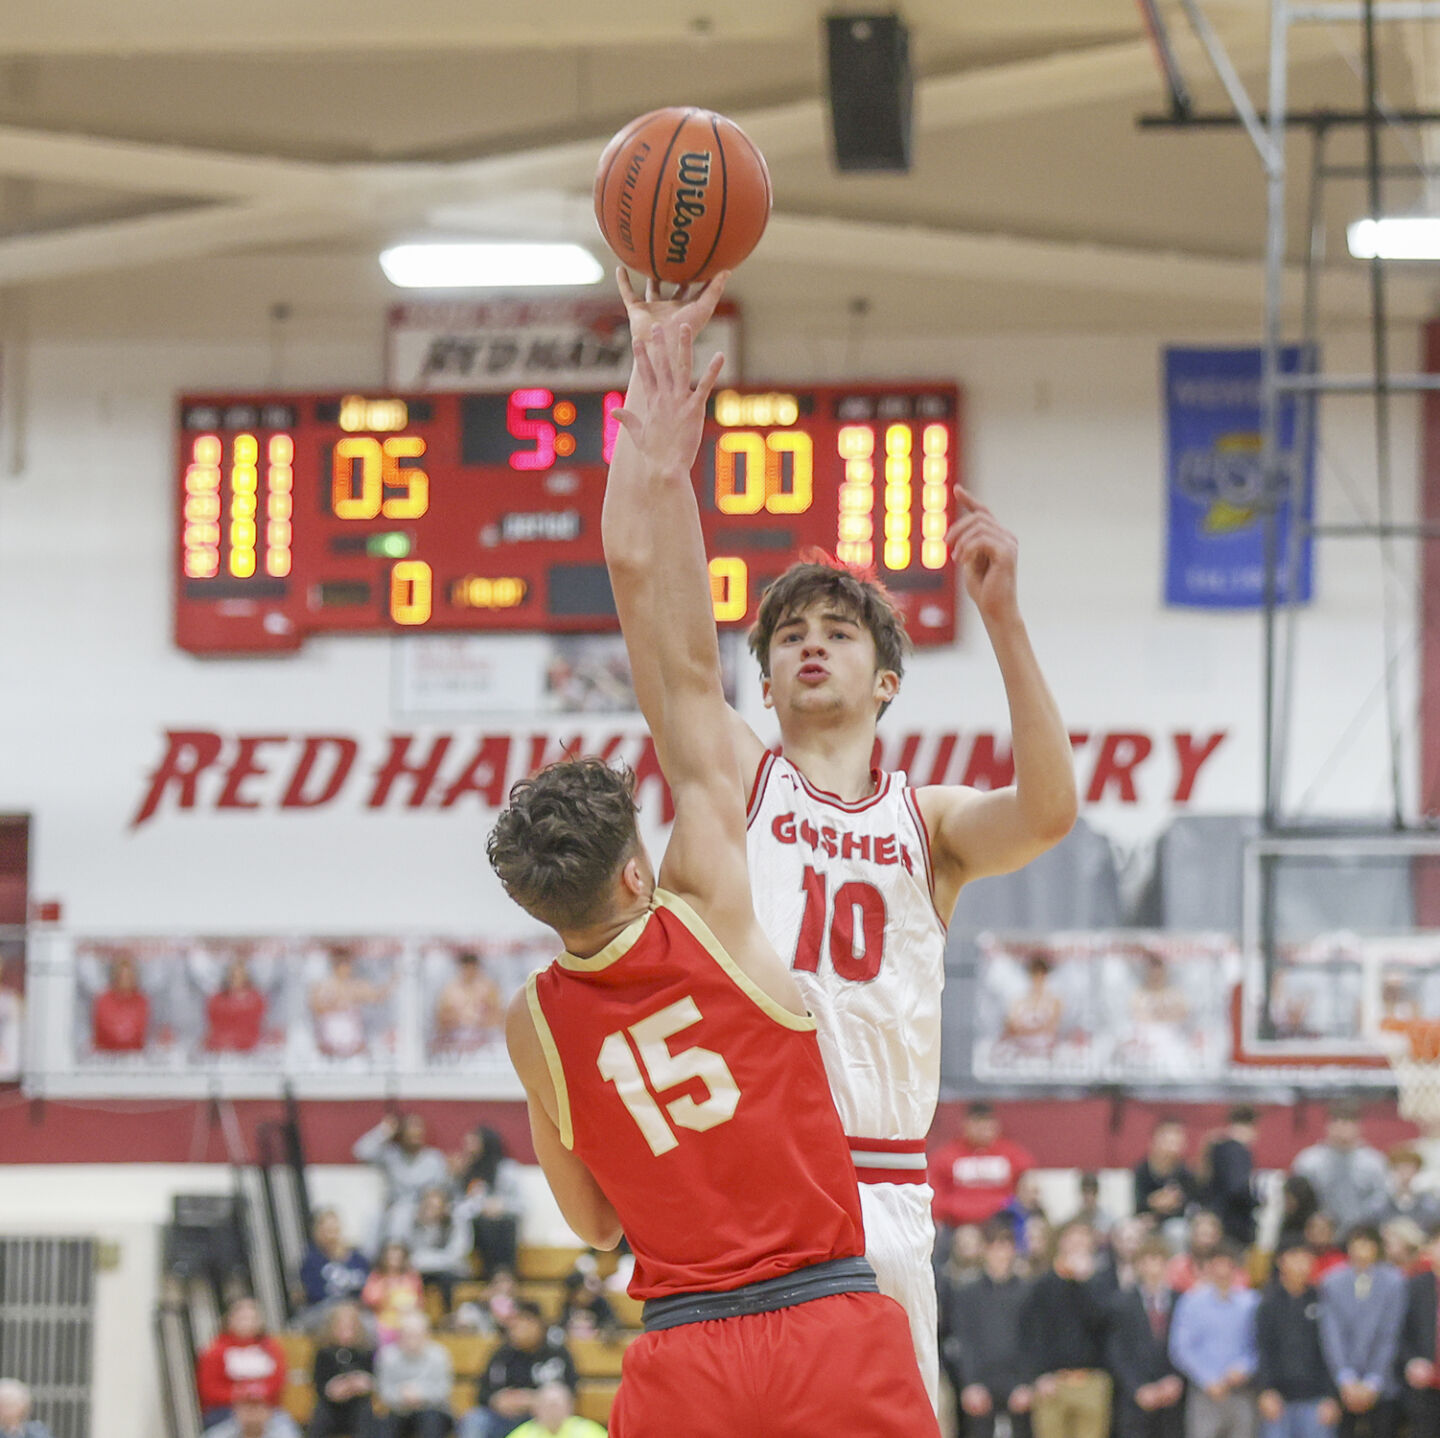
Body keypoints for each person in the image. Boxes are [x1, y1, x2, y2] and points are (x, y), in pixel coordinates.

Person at [616, 259, 1075, 1409]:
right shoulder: (735, 778)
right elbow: (656, 613)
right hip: (750, 1196)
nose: (812, 645)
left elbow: (1050, 810)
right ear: (765, 679)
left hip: (881, 1197)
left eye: (839, 632)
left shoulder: (929, 822)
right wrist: (656, 444)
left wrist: (1007, 621)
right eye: (789, 636)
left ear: (885, 682)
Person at [489, 296, 938, 1435]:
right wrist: (657, 446)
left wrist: (648, 445)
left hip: (686, 1343)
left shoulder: (532, 1024)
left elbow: (593, 1223)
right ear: (640, 873)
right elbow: (674, 639)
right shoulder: (717, 913)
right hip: (829, 1302)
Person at [941, 1218, 1033, 1438]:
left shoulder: (1027, 1292)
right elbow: (962, 1340)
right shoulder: (966, 1293)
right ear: (984, 1250)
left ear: (1013, 1250)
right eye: (993, 1246)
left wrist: (1027, 1383)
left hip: (1017, 1385)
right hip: (980, 1384)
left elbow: (1033, 1340)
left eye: (1005, 1246)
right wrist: (970, 1383)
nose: (999, 1253)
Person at [1019, 1223, 1113, 1438]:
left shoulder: (1101, 1284)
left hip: (1091, 1381)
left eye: (1084, 1240)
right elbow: (1031, 1334)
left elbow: (1104, 1324)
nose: (1078, 1245)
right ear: (1061, 1242)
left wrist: (1085, 1282)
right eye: (1073, 1238)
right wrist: (1039, 1375)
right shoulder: (1042, 1286)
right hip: (1052, 1384)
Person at [1317, 1225, 1404, 1438]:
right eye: (1357, 1243)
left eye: (1367, 1243)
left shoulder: (1394, 1282)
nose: (1361, 1249)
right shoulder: (1331, 1281)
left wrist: (1373, 1382)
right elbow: (1332, 1334)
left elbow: (1390, 1333)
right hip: (1343, 1385)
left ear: (1377, 1247)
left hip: (1382, 1384)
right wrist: (1346, 1379)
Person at [1167, 1244, 1259, 1438]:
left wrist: (1244, 1368)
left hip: (1242, 1390)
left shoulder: (1251, 1302)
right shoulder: (1191, 1302)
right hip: (1204, 1393)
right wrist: (1208, 1379)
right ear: (1208, 1268)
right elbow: (1181, 1347)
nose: (1222, 1271)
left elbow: (1260, 1344)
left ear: (1236, 1269)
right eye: (1217, 1265)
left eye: (1228, 1265)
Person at [1255, 1242, 1337, 1438]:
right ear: (1281, 1261)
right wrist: (1265, 1390)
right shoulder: (1268, 1302)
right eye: (1295, 1257)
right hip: (1278, 1398)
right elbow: (1262, 1348)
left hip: (1317, 1398)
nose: (1302, 1264)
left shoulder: (1321, 1299)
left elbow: (1332, 1349)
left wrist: (1331, 1396)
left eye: (1306, 1258)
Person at [930, 1103, 1038, 1250]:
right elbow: (936, 1190)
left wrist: (1024, 1203)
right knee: (966, 1240)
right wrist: (938, 1216)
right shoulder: (947, 1156)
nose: (983, 1130)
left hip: (1001, 1222)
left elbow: (1028, 1179)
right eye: (978, 1124)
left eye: (987, 1124)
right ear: (966, 1125)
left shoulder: (1010, 1153)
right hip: (959, 1225)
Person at [461, 1303, 577, 1438]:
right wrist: (497, 1400)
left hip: (539, 1417)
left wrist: (534, 1400)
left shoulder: (557, 1354)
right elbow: (482, 1392)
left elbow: (570, 1391)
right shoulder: (502, 1354)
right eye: (514, 1326)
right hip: (502, 1417)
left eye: (524, 1325)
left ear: (538, 1325)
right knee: (475, 1420)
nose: (517, 1330)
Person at [1107, 1238, 1184, 1438]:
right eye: (1148, 1260)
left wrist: (1176, 1379)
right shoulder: (1121, 1302)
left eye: (1159, 1259)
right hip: (1136, 1399)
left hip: (1172, 1396)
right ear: (1138, 1265)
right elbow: (1117, 1351)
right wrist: (1137, 1388)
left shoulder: (1182, 1301)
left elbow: (1188, 1345)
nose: (1154, 1266)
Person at [1293, 1106, 1388, 1240]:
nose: (1343, 1130)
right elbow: (1298, 1201)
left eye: (1348, 1123)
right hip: (1317, 1238)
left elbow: (1381, 1199)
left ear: (1359, 1127)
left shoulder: (1375, 1162)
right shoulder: (1309, 1161)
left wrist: (1358, 1223)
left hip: (1361, 1237)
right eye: (1337, 1123)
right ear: (1327, 1127)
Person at [196, 1296, 287, 1426]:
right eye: (242, 1319)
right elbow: (209, 1389)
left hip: (266, 1410)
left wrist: (258, 1396)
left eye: (252, 1319)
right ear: (229, 1320)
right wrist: (240, 1395)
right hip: (226, 1411)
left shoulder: (271, 1348)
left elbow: (278, 1380)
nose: (247, 1324)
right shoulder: (214, 1351)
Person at [353, 1115, 451, 1233]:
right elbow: (361, 1152)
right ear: (402, 1132)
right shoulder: (391, 1155)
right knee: (377, 1220)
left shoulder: (434, 1159)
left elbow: (441, 1192)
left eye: (418, 1128)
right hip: (394, 1210)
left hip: (425, 1213)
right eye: (410, 1128)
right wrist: (384, 1131)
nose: (415, 1132)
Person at [450, 1128, 522, 1279]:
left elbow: (521, 1205)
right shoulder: (464, 1168)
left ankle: (503, 1275)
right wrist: (454, 1176)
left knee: (503, 1224)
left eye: (473, 1142)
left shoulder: (505, 1168)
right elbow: (452, 1203)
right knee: (480, 1224)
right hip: (472, 1225)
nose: (468, 1147)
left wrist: (501, 1205)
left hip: (500, 1224)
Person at [390, 1187, 473, 1315]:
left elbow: (456, 1255)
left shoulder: (457, 1223)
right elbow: (401, 1250)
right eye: (427, 1205)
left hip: (449, 1271)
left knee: (449, 1281)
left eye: (436, 1207)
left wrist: (423, 1260)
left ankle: (449, 1318)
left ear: (445, 1208)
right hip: (417, 1271)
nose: (431, 1211)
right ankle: (411, 1317)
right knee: (403, 1279)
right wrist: (425, 1261)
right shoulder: (410, 1221)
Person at [374, 1313, 451, 1438]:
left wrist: (420, 1395)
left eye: (417, 1336)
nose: (412, 1341)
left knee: (430, 1421)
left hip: (433, 1410)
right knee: (382, 1424)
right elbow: (383, 1390)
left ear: (427, 1335)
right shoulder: (387, 1356)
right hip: (398, 1411)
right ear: (399, 1336)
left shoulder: (439, 1355)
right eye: (408, 1335)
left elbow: (443, 1390)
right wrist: (401, 1396)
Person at [308, 1301, 375, 1438]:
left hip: (358, 1405)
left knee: (366, 1413)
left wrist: (363, 1384)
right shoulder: (324, 1353)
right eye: (341, 1328)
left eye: (350, 1328)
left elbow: (373, 1378)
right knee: (319, 1414)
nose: (346, 1333)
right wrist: (332, 1390)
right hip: (331, 1407)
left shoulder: (364, 1351)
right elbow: (318, 1382)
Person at [309, 948, 390, 1061]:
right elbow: (315, 1008)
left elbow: (379, 996)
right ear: (334, 964)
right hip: (328, 1051)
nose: (346, 968)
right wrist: (337, 1005)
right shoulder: (323, 986)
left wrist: (395, 978)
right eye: (342, 963)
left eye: (348, 963)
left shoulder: (355, 986)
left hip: (354, 1051)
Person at [296, 1208, 371, 1328]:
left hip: (357, 1312)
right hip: (324, 1312)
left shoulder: (359, 1259)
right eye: (327, 1231)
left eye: (335, 1230)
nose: (332, 1235)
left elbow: (368, 1289)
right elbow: (314, 1295)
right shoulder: (312, 1261)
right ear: (318, 1232)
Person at [1399, 1228, 1440, 1437]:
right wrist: (1411, 1361)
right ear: (1429, 1250)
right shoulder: (1415, 1287)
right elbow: (1399, 1333)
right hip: (1425, 1387)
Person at [1203, 1108, 1260, 1249]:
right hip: (1234, 1224)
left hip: (1217, 1216)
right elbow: (1238, 1187)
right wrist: (1256, 1202)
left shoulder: (1218, 1148)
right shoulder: (1237, 1151)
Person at [1135, 1118, 1200, 1235]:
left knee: (1177, 1230)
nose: (1172, 1147)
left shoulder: (1186, 1174)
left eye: (1177, 1142)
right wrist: (1153, 1203)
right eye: (1168, 1141)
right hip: (1145, 1219)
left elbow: (1191, 1205)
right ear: (1154, 1141)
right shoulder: (1142, 1171)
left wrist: (1171, 1204)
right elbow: (1137, 1202)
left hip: (1175, 1223)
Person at [432, 953, 504, 1053]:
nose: (469, 972)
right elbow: (441, 1019)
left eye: (472, 968)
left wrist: (479, 1020)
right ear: (461, 968)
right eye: (466, 968)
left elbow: (498, 1016)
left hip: (484, 1038)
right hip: (456, 1037)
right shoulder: (450, 989)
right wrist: (461, 1019)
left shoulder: (488, 987)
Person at [1365, 1146, 1440, 1233]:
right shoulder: (1379, 1204)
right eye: (1401, 1169)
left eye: (1411, 1169)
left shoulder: (1430, 1204)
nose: (1406, 1175)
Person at [361, 1242, 424, 1347]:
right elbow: (368, 1299)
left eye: (398, 1257)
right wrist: (385, 1290)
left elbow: (420, 1300)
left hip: (407, 1319)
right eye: (391, 1257)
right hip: (382, 1319)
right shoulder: (376, 1276)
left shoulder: (411, 1276)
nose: (394, 1261)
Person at [205, 954, 267, 1053]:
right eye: (233, 975)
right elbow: (213, 1023)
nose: (237, 978)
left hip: (249, 1047)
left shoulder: (256, 998)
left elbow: (255, 1023)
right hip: (221, 1047)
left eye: (240, 975)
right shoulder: (216, 998)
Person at [90, 953, 149, 1053]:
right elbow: (103, 1029)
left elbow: (143, 1030)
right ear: (115, 976)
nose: (125, 979)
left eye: (128, 975)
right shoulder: (103, 1000)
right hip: (105, 1055)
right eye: (122, 975)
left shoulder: (142, 1001)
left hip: (135, 1056)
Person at [500, 1384, 603, 1438]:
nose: (552, 1411)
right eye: (547, 1405)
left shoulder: (588, 1431)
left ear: (569, 1407)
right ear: (536, 1409)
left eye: (556, 1405)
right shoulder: (524, 1434)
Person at [202, 1384, 301, 1438]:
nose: (252, 1412)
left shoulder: (286, 1434)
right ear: (235, 1410)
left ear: (269, 1411)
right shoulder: (217, 1434)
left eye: (257, 1406)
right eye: (246, 1406)